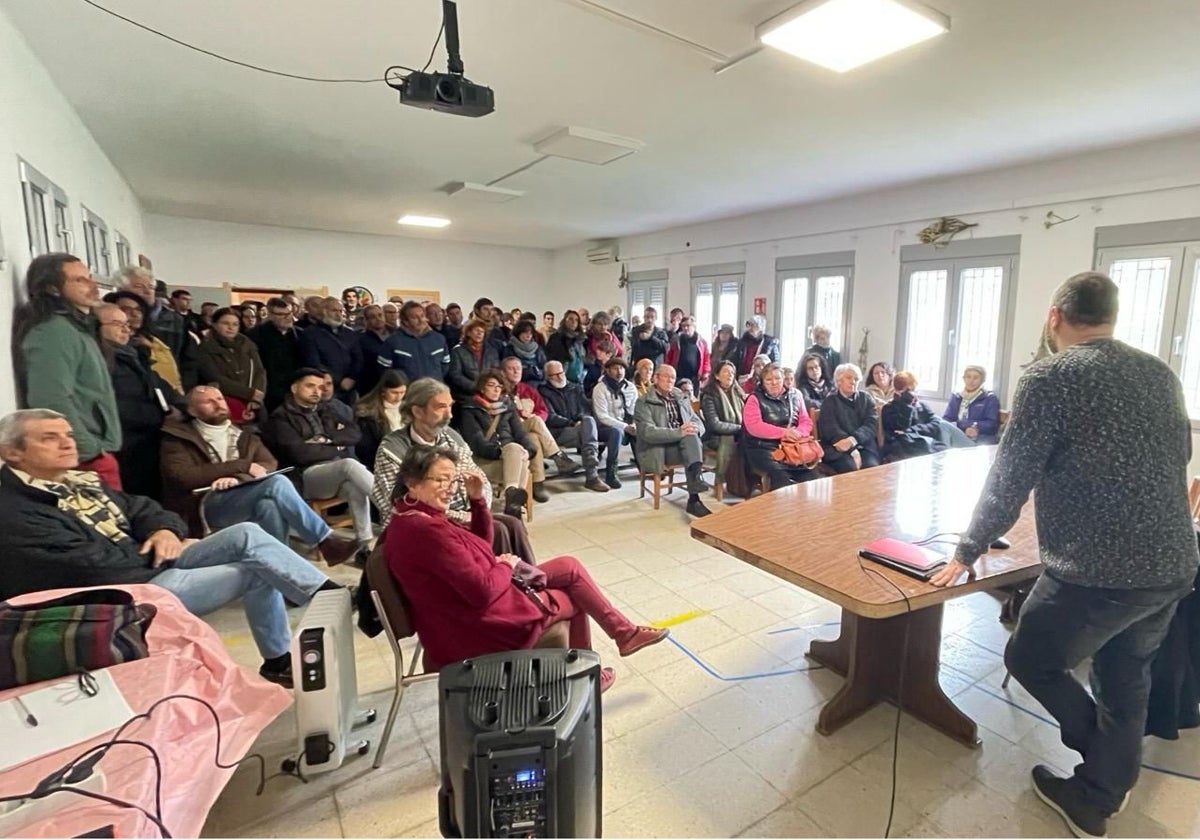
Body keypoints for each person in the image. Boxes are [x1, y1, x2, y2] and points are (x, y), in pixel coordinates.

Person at [931, 272, 1199, 839]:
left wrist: (968, 548)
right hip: (1173, 562)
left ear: (1055, 317)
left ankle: (1101, 769)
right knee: (1126, 677)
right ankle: (1103, 791)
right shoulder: (1159, 372)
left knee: (1030, 658)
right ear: (1113, 317)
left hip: (1098, 568)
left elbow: (1010, 475)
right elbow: (1180, 452)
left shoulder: (1052, 376)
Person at [0, 409, 346, 687]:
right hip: (124, 590)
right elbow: (91, 568)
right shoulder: (15, 510)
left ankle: (329, 594)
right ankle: (281, 658)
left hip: (148, 557)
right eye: (50, 438)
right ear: (12, 451)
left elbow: (142, 508)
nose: (67, 443)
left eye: (69, 435)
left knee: (247, 533)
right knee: (257, 568)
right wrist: (161, 548)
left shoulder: (77, 481)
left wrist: (164, 530)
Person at [385, 445, 670, 689]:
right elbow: (482, 592)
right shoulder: (426, 531)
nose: (448, 489)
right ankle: (585, 676)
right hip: (476, 626)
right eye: (441, 481)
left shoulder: (414, 514)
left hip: (466, 609)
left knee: (570, 567)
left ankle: (622, 636)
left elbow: (481, 547)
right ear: (412, 481)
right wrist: (505, 567)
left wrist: (477, 500)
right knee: (575, 595)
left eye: (452, 480)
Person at [160, 386, 359, 566]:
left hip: (242, 493)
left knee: (269, 505)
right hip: (204, 503)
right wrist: (242, 466)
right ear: (192, 410)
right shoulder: (178, 437)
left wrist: (239, 478)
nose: (217, 404)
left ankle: (280, 571)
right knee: (277, 483)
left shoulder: (244, 433)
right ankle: (324, 540)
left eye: (220, 399)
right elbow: (181, 476)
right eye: (208, 401)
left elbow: (268, 464)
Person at [371, 378, 534, 558]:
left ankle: (527, 580)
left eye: (450, 406)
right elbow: (397, 504)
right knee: (498, 530)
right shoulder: (392, 448)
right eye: (441, 407)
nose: (449, 414)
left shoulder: (450, 437)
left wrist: (479, 509)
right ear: (417, 411)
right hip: (420, 526)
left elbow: (477, 478)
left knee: (513, 524)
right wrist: (462, 516)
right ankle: (500, 579)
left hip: (459, 516)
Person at [13, 253, 122, 488]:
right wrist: (87, 448)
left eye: (90, 277)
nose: (93, 286)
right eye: (80, 280)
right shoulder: (53, 331)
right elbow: (51, 398)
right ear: (53, 289)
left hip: (94, 453)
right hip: (84, 460)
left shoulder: (77, 327)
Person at [262, 368, 375, 557]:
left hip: (334, 471)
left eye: (320, 387)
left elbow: (354, 433)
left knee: (354, 487)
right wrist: (337, 448)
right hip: (304, 476)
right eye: (310, 386)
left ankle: (364, 549)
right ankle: (393, 505)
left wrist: (327, 438)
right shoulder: (281, 417)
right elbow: (299, 454)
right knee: (349, 464)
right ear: (295, 388)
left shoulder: (327, 409)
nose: (317, 391)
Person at [97, 303, 184, 498]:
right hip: (126, 445)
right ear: (97, 326)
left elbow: (160, 386)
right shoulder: (102, 361)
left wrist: (182, 406)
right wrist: (161, 418)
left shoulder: (134, 355)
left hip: (148, 442)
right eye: (117, 324)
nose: (126, 329)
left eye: (126, 324)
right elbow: (120, 405)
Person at [633, 365, 711, 517]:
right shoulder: (643, 402)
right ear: (655, 378)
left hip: (685, 446)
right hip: (659, 449)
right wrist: (679, 432)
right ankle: (694, 494)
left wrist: (697, 429)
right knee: (689, 440)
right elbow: (648, 433)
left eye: (673, 377)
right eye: (666, 376)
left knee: (691, 436)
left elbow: (696, 420)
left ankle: (694, 492)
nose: (670, 380)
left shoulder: (680, 397)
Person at [500, 357, 583, 496]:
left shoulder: (528, 389)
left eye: (519, 368)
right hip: (511, 430)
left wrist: (535, 418)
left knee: (534, 436)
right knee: (536, 421)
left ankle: (538, 483)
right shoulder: (500, 390)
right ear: (503, 372)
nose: (516, 371)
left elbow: (543, 410)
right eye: (511, 368)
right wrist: (525, 419)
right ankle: (558, 456)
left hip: (531, 429)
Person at [459, 369, 535, 511]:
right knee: (516, 453)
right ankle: (513, 502)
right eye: (491, 385)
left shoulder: (507, 408)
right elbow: (477, 443)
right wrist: (501, 452)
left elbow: (521, 434)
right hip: (484, 461)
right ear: (482, 388)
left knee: (520, 455)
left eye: (499, 386)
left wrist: (529, 451)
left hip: (511, 459)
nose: (496, 389)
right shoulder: (469, 409)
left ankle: (512, 499)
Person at [742, 363, 818, 490]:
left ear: (783, 378)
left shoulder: (795, 395)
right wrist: (784, 432)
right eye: (769, 380)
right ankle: (780, 508)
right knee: (782, 480)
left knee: (811, 478)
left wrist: (798, 433)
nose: (774, 383)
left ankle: (804, 508)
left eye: (777, 378)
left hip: (793, 446)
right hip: (763, 448)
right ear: (762, 382)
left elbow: (806, 421)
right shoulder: (754, 398)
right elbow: (754, 426)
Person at [539, 361, 611, 493]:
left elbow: (585, 410)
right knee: (588, 432)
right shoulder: (543, 391)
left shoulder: (575, 388)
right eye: (555, 375)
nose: (560, 377)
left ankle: (591, 470)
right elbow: (550, 417)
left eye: (561, 373)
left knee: (588, 420)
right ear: (548, 377)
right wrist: (571, 423)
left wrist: (580, 420)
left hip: (580, 429)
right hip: (558, 432)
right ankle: (592, 475)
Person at [197, 307, 267, 425]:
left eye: (235, 324)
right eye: (225, 323)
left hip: (253, 402)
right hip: (225, 402)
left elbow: (259, 372)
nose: (231, 328)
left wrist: (257, 397)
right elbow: (214, 377)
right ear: (214, 324)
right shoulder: (206, 348)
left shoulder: (248, 345)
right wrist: (250, 394)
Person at [109, 290, 183, 393]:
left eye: (139, 309)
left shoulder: (152, 342)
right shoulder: (107, 348)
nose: (135, 314)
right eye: (126, 309)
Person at [817, 363, 880, 473]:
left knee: (871, 468)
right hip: (837, 448)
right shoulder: (830, 402)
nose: (853, 382)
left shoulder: (866, 398)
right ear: (839, 381)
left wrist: (853, 440)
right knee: (849, 468)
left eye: (856, 379)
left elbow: (871, 424)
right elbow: (830, 429)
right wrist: (852, 450)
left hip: (864, 445)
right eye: (849, 378)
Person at [299, 297, 362, 404]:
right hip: (325, 386)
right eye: (334, 310)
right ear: (324, 311)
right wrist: (334, 380)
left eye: (341, 311)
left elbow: (358, 358)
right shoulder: (310, 334)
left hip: (350, 387)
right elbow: (313, 361)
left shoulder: (350, 333)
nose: (338, 314)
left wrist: (351, 377)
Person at [248, 297, 304, 413]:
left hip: (295, 390)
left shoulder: (300, 334)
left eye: (289, 313)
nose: (287, 317)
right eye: (281, 314)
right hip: (269, 390)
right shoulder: (256, 335)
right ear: (270, 315)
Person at [880, 370, 949, 461]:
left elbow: (935, 422)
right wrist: (906, 405)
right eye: (909, 390)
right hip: (902, 446)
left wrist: (913, 430)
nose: (913, 393)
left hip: (923, 440)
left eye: (914, 389)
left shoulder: (922, 405)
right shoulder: (889, 408)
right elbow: (901, 427)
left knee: (944, 442)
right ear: (898, 391)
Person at [592, 357, 639, 489]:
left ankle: (644, 466)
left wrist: (634, 423)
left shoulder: (631, 388)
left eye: (622, 368)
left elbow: (636, 409)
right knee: (617, 432)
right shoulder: (600, 388)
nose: (619, 371)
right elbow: (602, 416)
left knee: (641, 429)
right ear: (607, 370)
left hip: (627, 423)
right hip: (605, 427)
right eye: (615, 368)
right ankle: (611, 472)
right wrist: (624, 426)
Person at [699, 360, 745, 492]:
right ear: (717, 376)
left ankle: (743, 483)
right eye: (725, 371)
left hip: (739, 434)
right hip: (715, 437)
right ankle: (722, 481)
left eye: (732, 372)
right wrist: (740, 429)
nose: (729, 375)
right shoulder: (709, 395)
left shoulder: (739, 394)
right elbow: (714, 425)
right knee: (728, 439)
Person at [381, 300, 450, 384]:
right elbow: (384, 370)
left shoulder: (439, 339)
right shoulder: (393, 341)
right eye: (414, 318)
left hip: (434, 390)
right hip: (407, 393)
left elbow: (445, 364)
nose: (421, 320)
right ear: (405, 321)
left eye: (422, 316)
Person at [355, 369, 408, 467]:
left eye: (402, 392)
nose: (399, 397)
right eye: (394, 393)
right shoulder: (368, 414)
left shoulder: (408, 409)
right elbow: (366, 449)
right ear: (383, 391)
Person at [943, 365, 1002, 444]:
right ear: (964, 379)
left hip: (981, 436)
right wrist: (963, 427)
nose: (971, 381)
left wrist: (974, 428)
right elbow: (946, 419)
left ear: (982, 380)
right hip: (958, 433)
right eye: (968, 377)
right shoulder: (957, 396)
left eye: (975, 378)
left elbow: (991, 424)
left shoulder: (990, 398)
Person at [448, 317, 501, 405]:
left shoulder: (491, 351)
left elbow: (496, 372)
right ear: (468, 333)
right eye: (477, 331)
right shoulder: (458, 351)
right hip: (466, 395)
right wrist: (476, 387)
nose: (479, 334)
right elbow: (455, 375)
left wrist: (488, 387)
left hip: (488, 392)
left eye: (482, 332)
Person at [665, 315, 711, 387]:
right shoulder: (676, 341)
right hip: (679, 376)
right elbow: (669, 357)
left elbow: (706, 359)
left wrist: (705, 372)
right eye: (683, 326)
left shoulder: (702, 342)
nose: (686, 328)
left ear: (694, 326)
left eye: (688, 325)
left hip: (695, 377)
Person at [545, 310, 588, 385]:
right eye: (570, 319)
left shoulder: (581, 339)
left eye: (576, 320)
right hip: (562, 376)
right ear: (565, 321)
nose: (573, 322)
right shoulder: (556, 337)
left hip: (579, 377)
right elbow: (552, 358)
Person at [503, 320, 549, 385]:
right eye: (525, 332)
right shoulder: (510, 349)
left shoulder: (537, 348)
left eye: (530, 333)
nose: (528, 336)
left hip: (539, 383)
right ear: (518, 333)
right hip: (518, 383)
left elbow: (544, 367)